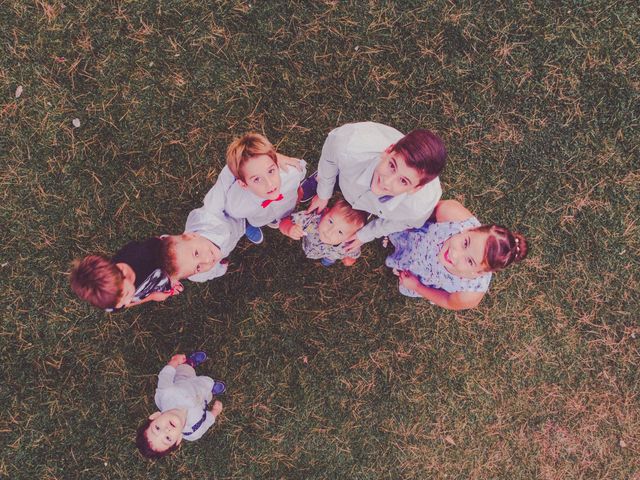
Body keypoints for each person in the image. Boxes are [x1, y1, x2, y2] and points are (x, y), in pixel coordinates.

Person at [303, 122, 446, 253]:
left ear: (416, 188)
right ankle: (328, 179)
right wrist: (323, 193)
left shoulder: (417, 209)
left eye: (403, 181)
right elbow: (329, 158)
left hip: (379, 202)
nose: (386, 182)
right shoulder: (347, 146)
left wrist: (365, 235)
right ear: (388, 151)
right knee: (333, 173)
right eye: (392, 165)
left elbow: (399, 223)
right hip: (349, 172)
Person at [385, 200, 528, 310]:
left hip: (423, 274)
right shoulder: (451, 214)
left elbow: (447, 301)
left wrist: (417, 287)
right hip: (414, 239)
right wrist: (411, 223)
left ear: (478, 272)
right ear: (470, 229)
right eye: (465, 243)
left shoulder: (470, 293)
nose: (455, 254)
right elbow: (428, 212)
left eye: (470, 261)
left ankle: (400, 266)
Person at [136, 351, 226, 459]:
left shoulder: (165, 394)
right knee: (206, 389)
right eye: (168, 438)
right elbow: (206, 423)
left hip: (184, 378)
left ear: (155, 416)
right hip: (202, 397)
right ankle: (211, 388)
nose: (166, 430)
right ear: (178, 440)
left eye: (157, 428)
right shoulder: (193, 432)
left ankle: (190, 363)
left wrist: (174, 362)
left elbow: (166, 375)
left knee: (185, 369)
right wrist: (215, 412)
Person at [223, 133, 306, 244]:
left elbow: (301, 172)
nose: (270, 184)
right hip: (259, 217)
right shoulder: (237, 206)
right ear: (243, 184)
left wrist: (298, 192)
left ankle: (275, 218)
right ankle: (246, 225)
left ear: (276, 163)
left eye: (271, 171)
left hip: (286, 207)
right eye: (257, 179)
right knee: (254, 220)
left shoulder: (292, 173)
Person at [70, 237, 182, 312]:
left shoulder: (144, 254)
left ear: (122, 271)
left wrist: (172, 275)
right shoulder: (110, 300)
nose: (128, 301)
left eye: (127, 294)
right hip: (153, 285)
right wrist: (151, 297)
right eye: (122, 305)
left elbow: (165, 250)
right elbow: (126, 303)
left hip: (162, 269)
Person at [279, 198, 368, 267]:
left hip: (332, 254)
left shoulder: (350, 244)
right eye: (330, 221)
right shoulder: (312, 221)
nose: (329, 231)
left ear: (351, 237)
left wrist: (350, 258)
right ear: (326, 212)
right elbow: (283, 222)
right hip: (311, 247)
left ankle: (328, 260)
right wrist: (289, 228)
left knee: (330, 258)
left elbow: (354, 253)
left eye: (340, 232)